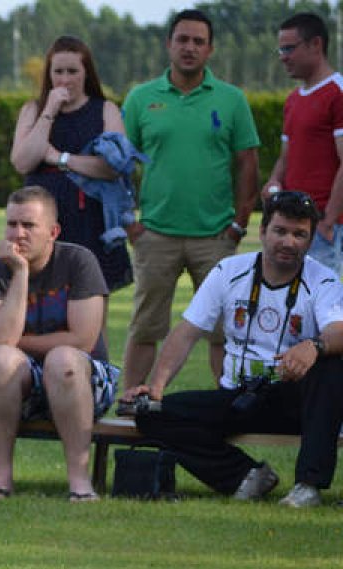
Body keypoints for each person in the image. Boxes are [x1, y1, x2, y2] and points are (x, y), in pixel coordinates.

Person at [126, 191, 343, 507]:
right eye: (280, 231)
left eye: (299, 235)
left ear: (309, 242)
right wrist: (156, 388)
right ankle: (246, 476)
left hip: (294, 403)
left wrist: (314, 346)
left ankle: (308, 486)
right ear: (262, 231)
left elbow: (338, 330)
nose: (289, 242)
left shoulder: (323, 280)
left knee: (331, 365)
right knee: (152, 416)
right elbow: (187, 332)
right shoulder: (229, 271)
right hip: (239, 396)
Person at [121, 9, 260, 391]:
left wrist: (240, 224)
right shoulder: (141, 99)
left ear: (210, 49)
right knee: (145, 327)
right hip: (155, 235)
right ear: (169, 44)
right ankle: (130, 404)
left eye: (198, 41)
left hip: (215, 235)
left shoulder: (231, 100)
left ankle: (228, 408)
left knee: (222, 332)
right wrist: (128, 221)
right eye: (182, 39)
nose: (189, 47)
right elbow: (118, 163)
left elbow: (248, 163)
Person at [0, 187, 118, 502]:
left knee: (62, 359)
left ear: (53, 232)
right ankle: (1, 479)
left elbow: (83, 340)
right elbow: (0, 343)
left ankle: (80, 483)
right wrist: (20, 272)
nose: (18, 233)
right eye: (12, 224)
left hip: (85, 380)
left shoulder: (79, 261)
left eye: (29, 225)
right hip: (23, 383)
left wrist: (17, 342)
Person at [11, 35, 132, 293]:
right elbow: (22, 161)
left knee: (89, 305)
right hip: (40, 221)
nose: (65, 79)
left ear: (86, 73)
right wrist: (49, 111)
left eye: (73, 71)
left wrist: (61, 159)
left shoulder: (105, 110)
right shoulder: (33, 110)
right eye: (58, 71)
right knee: (39, 305)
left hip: (90, 219)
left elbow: (114, 166)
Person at [263, 12, 343, 277]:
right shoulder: (293, 99)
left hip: (322, 228)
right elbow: (286, 158)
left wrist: (328, 221)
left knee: (319, 310)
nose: (283, 56)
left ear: (316, 45)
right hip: (291, 225)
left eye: (289, 48)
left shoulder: (337, 92)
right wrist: (273, 182)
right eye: (280, 49)